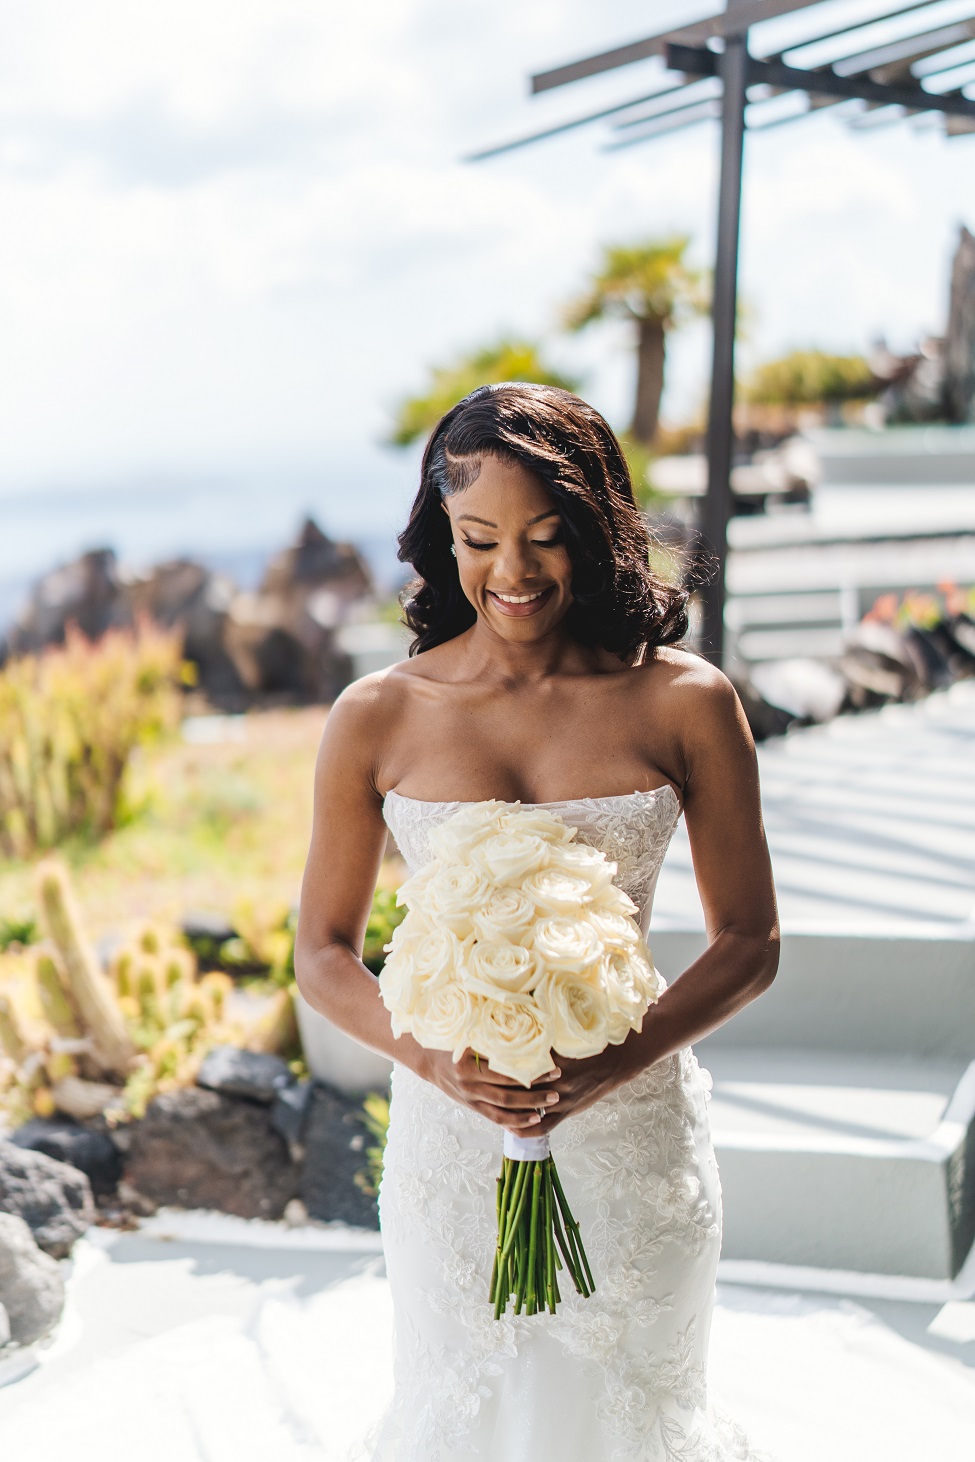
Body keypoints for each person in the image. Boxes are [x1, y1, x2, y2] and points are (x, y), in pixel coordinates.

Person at [294, 383, 780, 1461]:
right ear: (441, 538)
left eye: (546, 538)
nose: (511, 573)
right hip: (451, 1140)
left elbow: (750, 940)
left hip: (634, 1133)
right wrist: (433, 1056)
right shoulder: (375, 715)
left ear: (598, 529)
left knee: (629, 1415)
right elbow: (322, 952)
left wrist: (613, 1061)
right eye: (479, 539)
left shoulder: (688, 703)